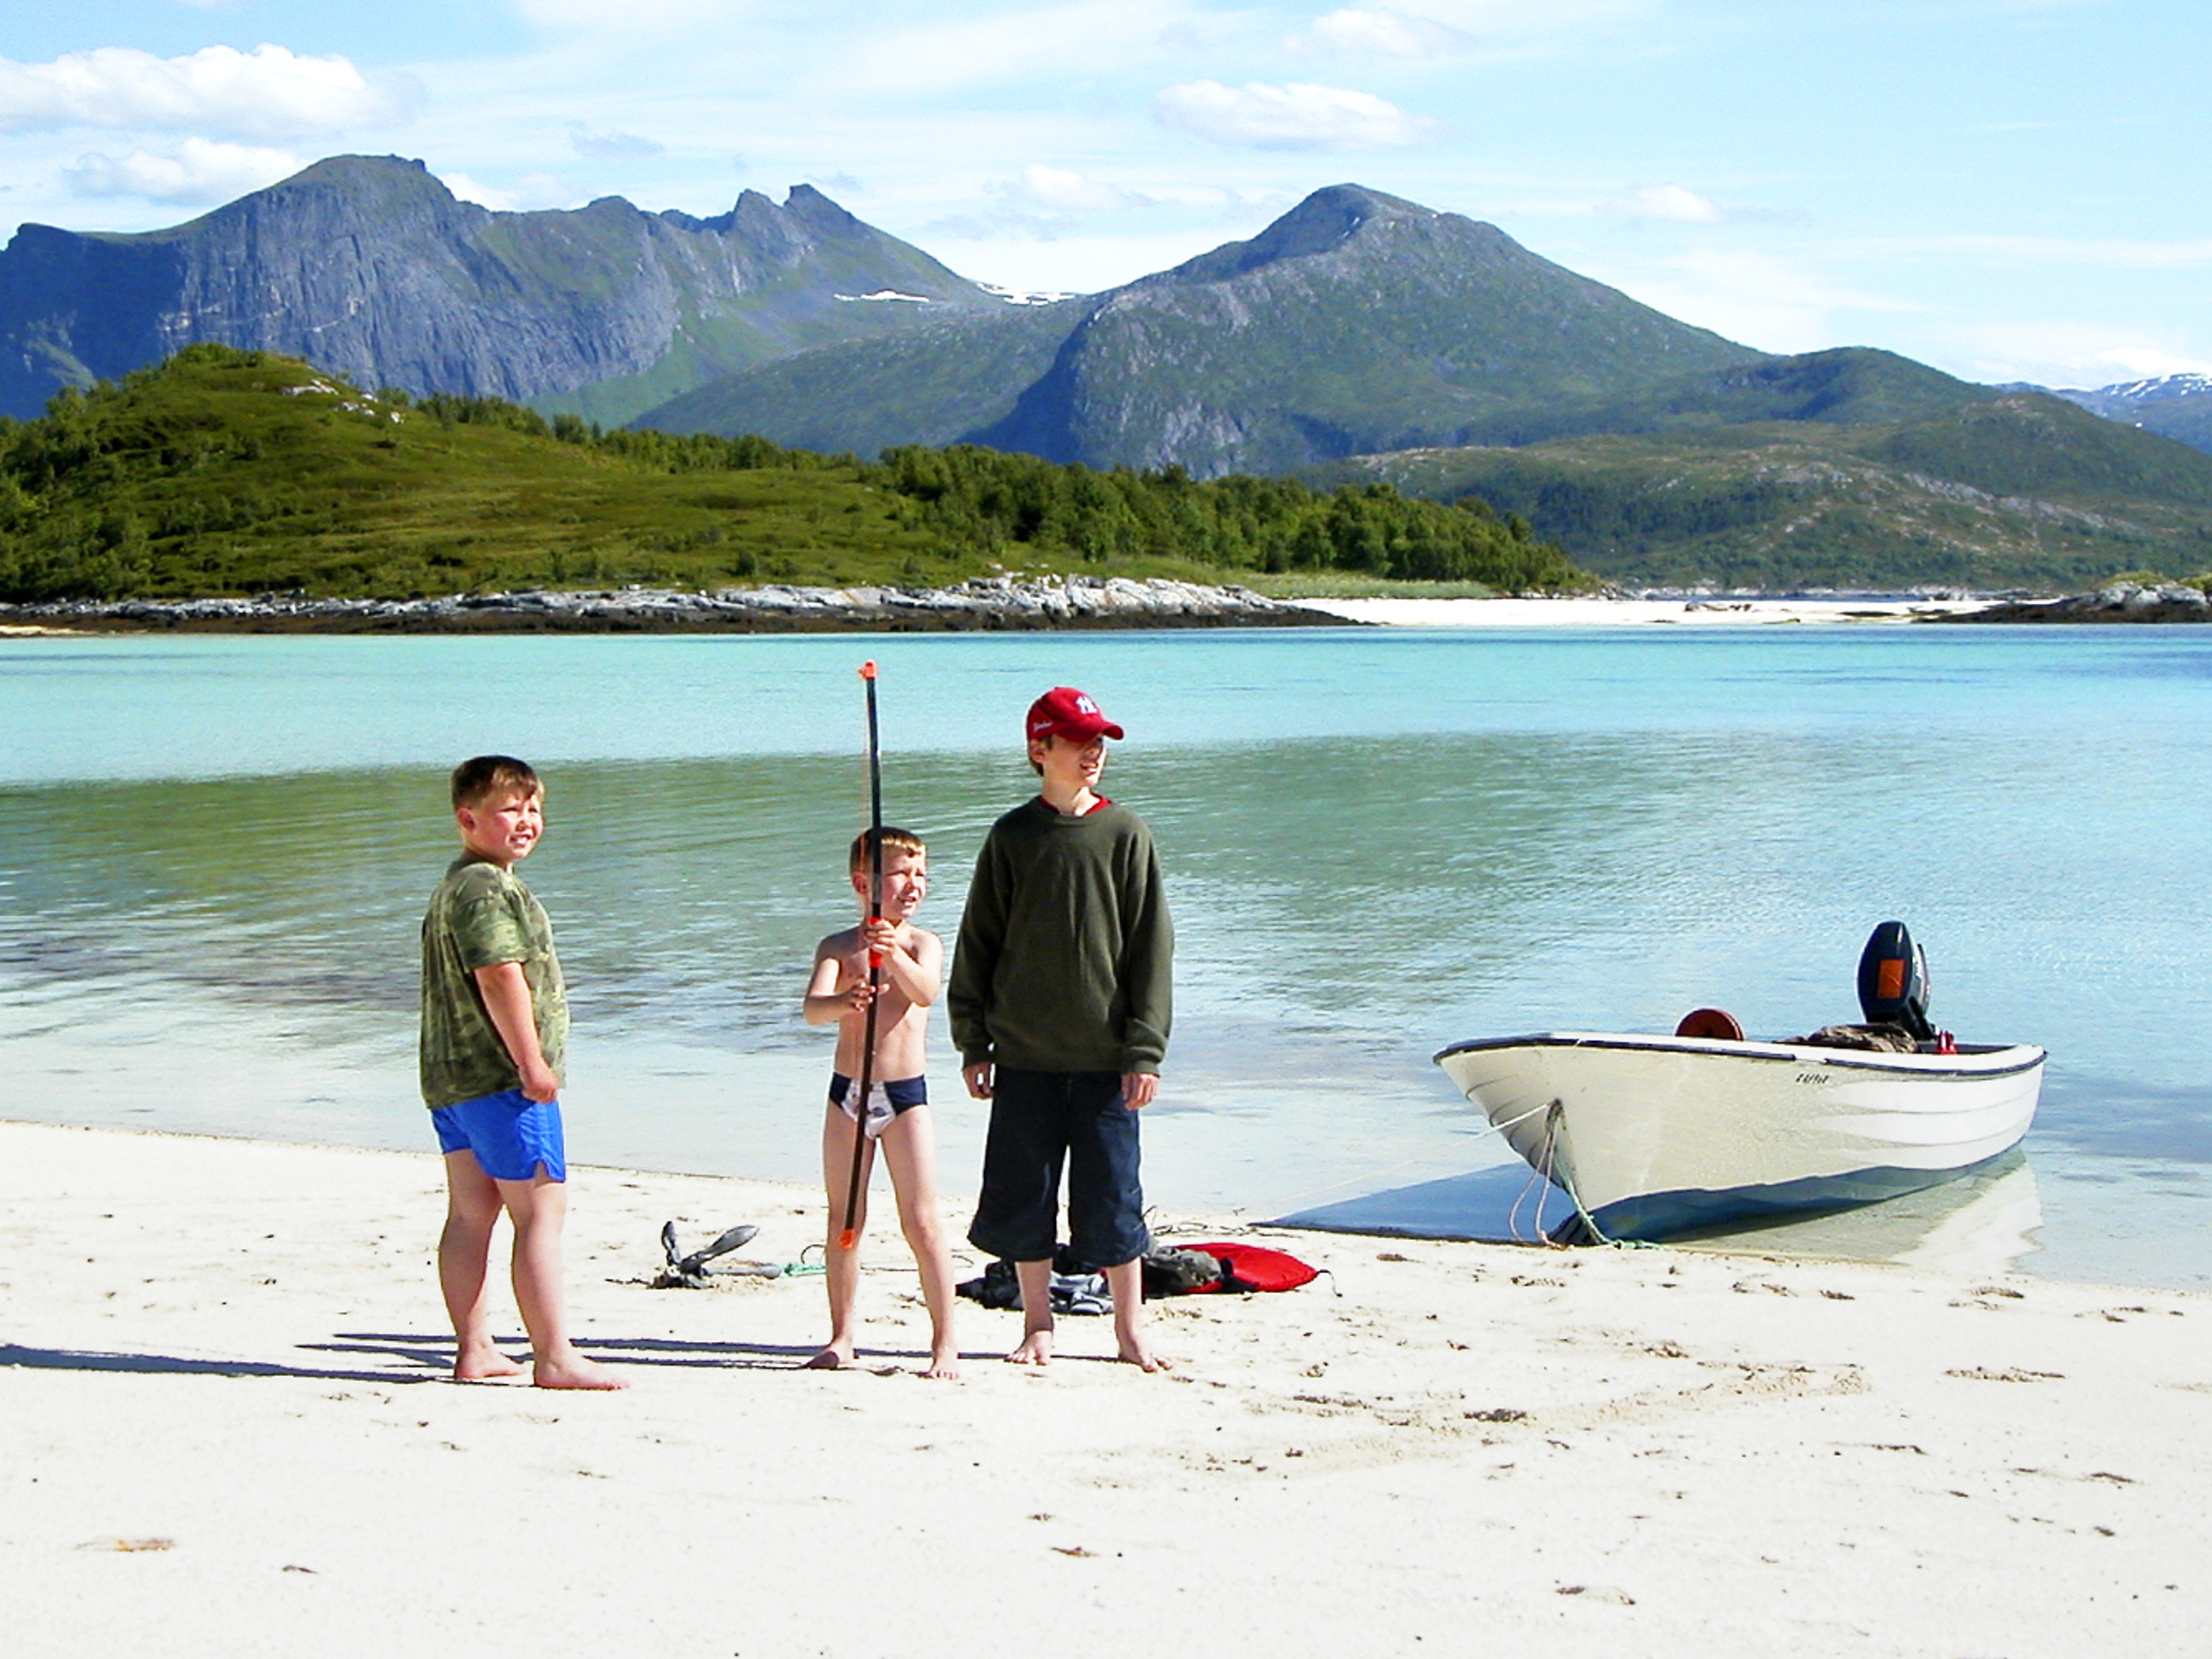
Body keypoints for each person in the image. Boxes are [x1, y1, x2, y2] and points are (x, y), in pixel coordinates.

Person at [950, 687, 1174, 1371]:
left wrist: (1145, 1049)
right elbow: (978, 943)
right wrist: (972, 1041)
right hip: (1024, 1057)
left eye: (1099, 741)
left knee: (1113, 1199)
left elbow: (1150, 949)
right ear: (1039, 750)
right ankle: (1037, 1324)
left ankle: (1129, 1330)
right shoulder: (1012, 836)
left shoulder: (1125, 832)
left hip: (1108, 1059)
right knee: (1025, 1197)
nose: (1094, 753)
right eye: (1080, 741)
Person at [420, 755, 626, 1390]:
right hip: (499, 1079)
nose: (527, 821)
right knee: (541, 1212)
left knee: (471, 1212)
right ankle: (554, 1355)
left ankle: (475, 1347)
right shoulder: (485, 888)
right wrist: (532, 1062)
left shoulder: (456, 884)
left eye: (534, 808)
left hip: (452, 1079)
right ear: (468, 817)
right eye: (510, 809)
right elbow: (499, 972)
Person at [801, 827, 959, 1378]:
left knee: (921, 1221)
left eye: (921, 874)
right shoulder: (839, 947)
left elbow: (925, 992)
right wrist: (844, 999)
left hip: (904, 1098)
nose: (913, 884)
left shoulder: (922, 944)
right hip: (847, 1093)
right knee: (846, 1216)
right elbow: (813, 1009)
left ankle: (945, 1342)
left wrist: (891, 956)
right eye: (899, 873)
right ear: (862, 882)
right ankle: (842, 1335)